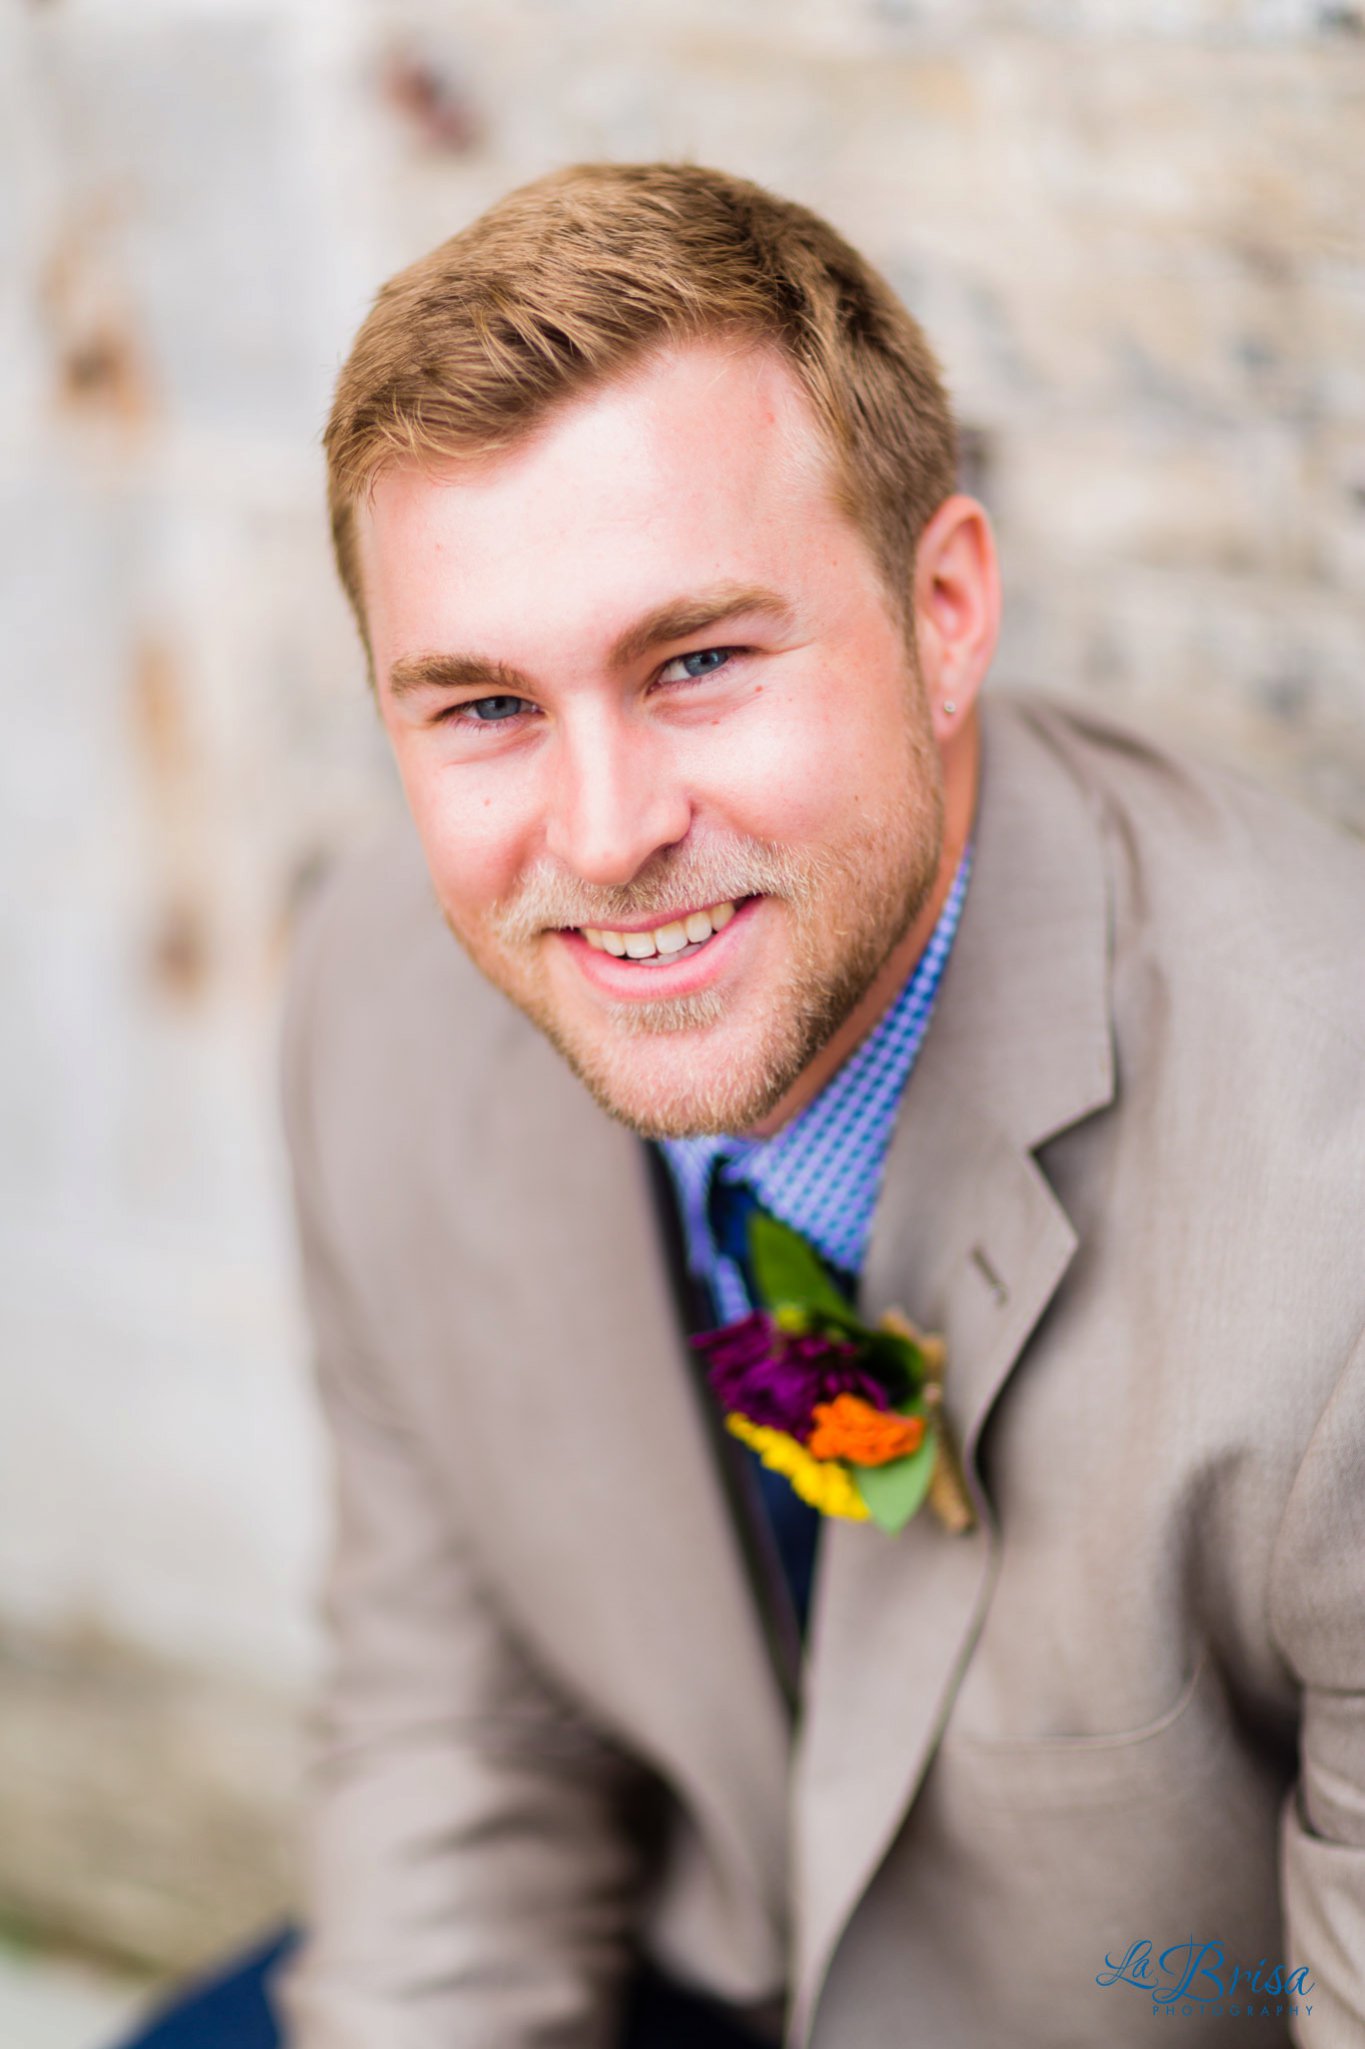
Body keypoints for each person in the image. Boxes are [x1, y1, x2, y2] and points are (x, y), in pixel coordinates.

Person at [119, 161, 1365, 2049]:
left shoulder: (1330, 1209)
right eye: (481, 707)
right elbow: (462, 1740)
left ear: (944, 609)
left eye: (696, 662)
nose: (605, 833)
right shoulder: (383, 998)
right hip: (684, 1952)